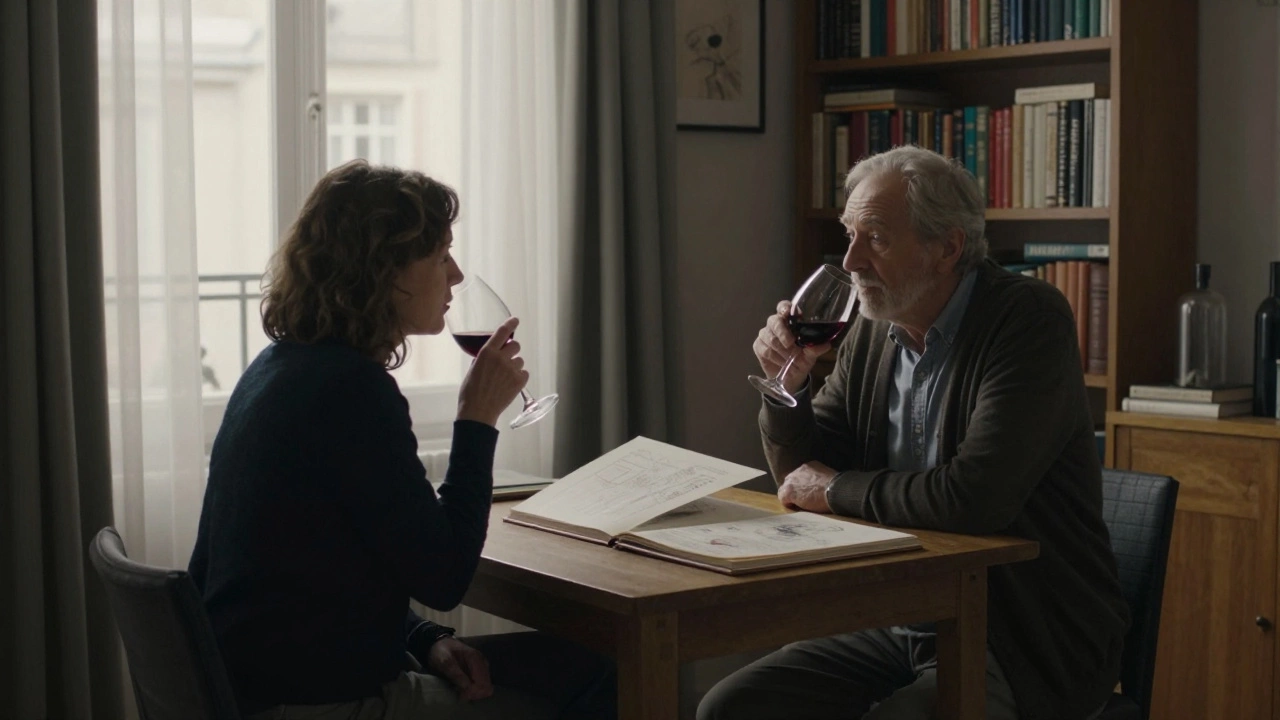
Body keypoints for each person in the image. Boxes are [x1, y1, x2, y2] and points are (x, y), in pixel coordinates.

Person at [699, 145, 1128, 720]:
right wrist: (791, 387)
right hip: (897, 615)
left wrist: (835, 489)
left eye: (874, 238)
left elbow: (974, 498)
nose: (850, 261)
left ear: (948, 247)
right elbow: (802, 476)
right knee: (734, 707)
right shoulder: (877, 326)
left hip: (1018, 633)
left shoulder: (1029, 319)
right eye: (848, 235)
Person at [188, 159, 615, 720]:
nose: (456, 275)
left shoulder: (279, 369)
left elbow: (337, 566)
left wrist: (424, 639)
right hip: (322, 700)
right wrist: (475, 420)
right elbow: (445, 575)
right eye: (440, 256)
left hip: (260, 685)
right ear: (383, 271)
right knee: (604, 675)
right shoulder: (351, 393)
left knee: (577, 665)